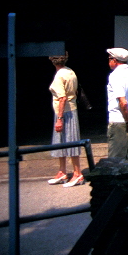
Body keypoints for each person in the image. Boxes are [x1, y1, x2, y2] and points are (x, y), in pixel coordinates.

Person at [47, 53, 84, 187]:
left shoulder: (59, 76)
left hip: (64, 112)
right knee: (61, 141)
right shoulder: (70, 71)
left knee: (70, 141)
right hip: (70, 110)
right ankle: (62, 171)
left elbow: (62, 98)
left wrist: (60, 119)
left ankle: (77, 173)